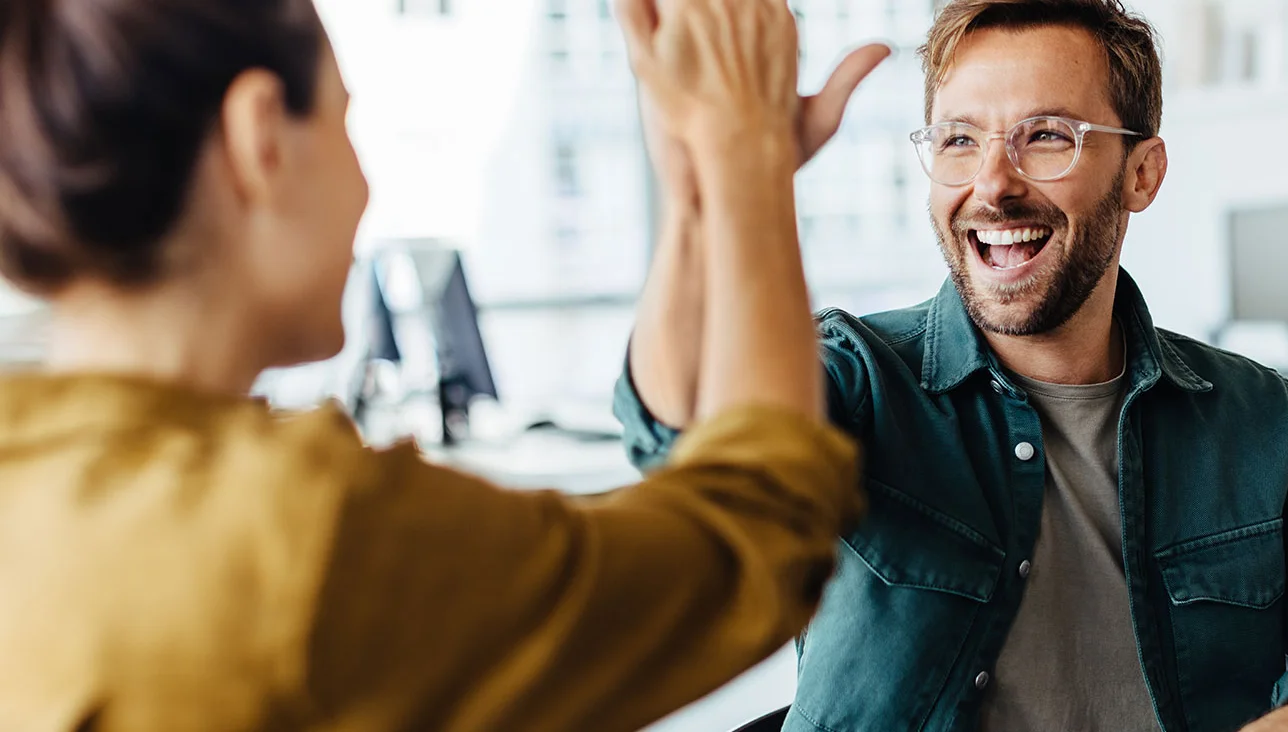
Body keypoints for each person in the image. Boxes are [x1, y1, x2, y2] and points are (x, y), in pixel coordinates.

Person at [0, 0, 875, 729]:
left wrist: (699, 192)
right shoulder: (297, 532)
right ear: (260, 137)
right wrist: (745, 152)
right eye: (345, 122)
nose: (370, 188)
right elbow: (750, 542)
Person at [618, 0, 1288, 729]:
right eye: (960, 139)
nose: (993, 184)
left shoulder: (1257, 416)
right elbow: (685, 432)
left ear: (1142, 172)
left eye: (1046, 136)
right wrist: (704, 195)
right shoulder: (861, 378)